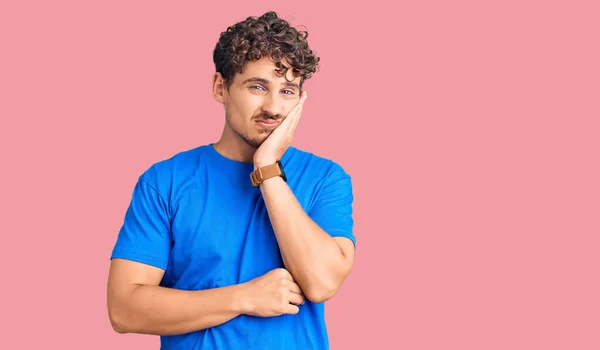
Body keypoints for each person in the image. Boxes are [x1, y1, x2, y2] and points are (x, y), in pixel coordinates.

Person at [107, 11, 356, 349]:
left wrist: (267, 168)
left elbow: (322, 282)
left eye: (287, 91)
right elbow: (124, 310)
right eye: (257, 86)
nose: (273, 107)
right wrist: (245, 298)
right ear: (220, 87)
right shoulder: (164, 181)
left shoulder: (326, 179)